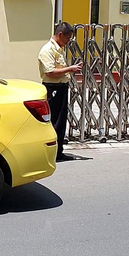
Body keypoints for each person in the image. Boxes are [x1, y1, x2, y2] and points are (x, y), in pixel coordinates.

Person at [38, 22, 83, 162]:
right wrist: (70, 69)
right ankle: (51, 153)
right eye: (68, 38)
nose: (68, 41)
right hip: (53, 88)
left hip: (61, 88)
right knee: (54, 121)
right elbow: (50, 72)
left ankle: (58, 151)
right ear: (60, 35)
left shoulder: (58, 48)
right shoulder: (48, 50)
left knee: (61, 120)